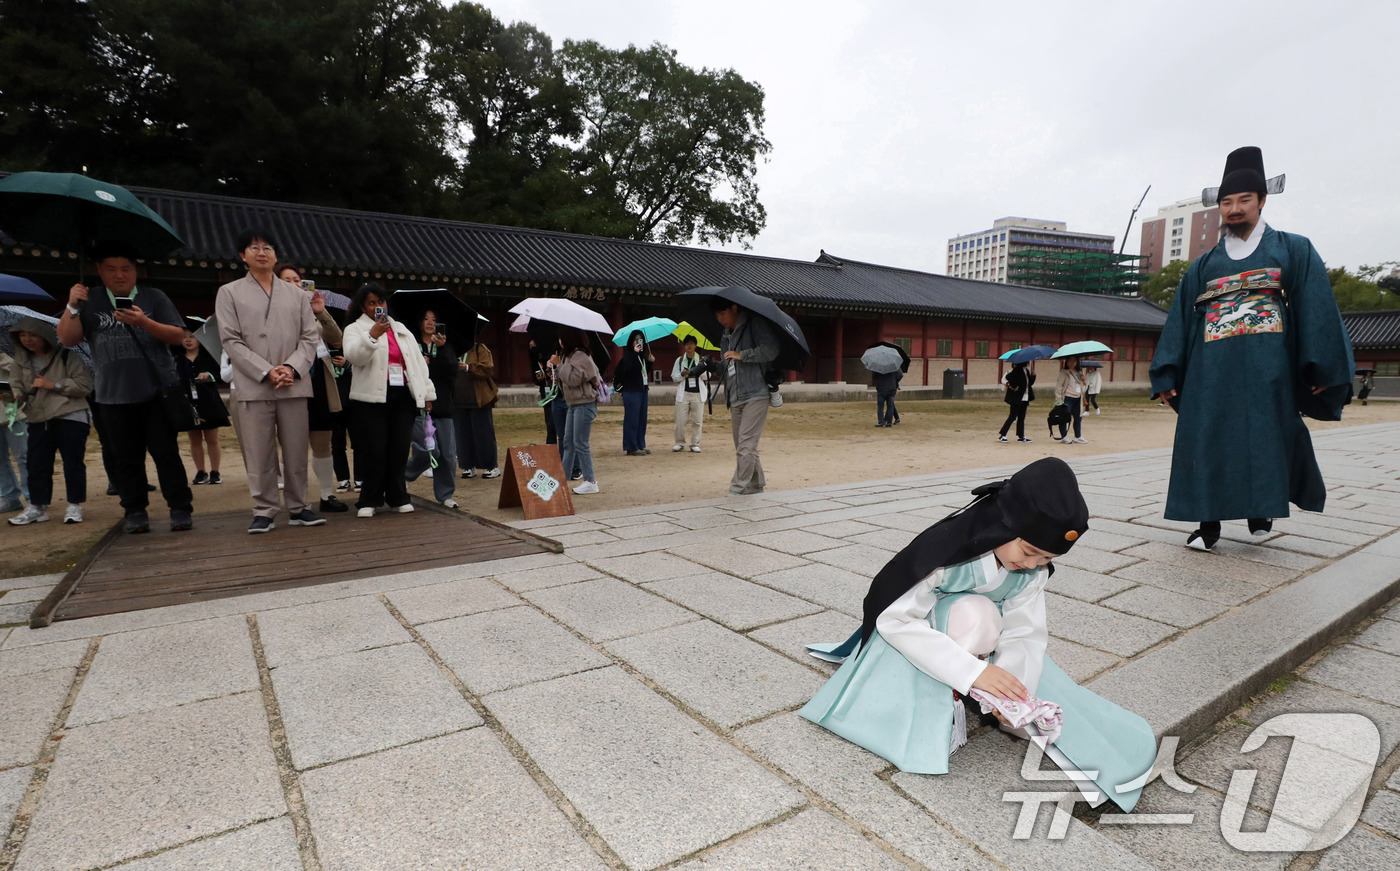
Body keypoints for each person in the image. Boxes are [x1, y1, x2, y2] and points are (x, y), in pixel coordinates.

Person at [799, 457, 1154, 811]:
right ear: (1002, 523)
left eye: (1045, 559)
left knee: (999, 638)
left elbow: (1025, 634)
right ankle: (948, 698)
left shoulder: (1031, 574)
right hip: (917, 641)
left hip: (977, 641)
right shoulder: (947, 553)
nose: (1031, 565)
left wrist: (1013, 695)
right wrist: (973, 673)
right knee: (977, 615)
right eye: (1029, 551)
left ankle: (985, 695)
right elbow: (896, 620)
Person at [1151, 146, 1354, 551]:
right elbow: (1179, 321)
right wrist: (1168, 372)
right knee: (1206, 440)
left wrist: (1322, 369)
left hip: (1268, 370)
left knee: (1264, 440)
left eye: (1244, 200)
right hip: (1211, 374)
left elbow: (1316, 308)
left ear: (1262, 201)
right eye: (1227, 202)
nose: (1235, 209)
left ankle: (1261, 511)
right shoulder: (1203, 266)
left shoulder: (1292, 250)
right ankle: (1208, 525)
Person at [57, 242, 194, 534]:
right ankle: (135, 511)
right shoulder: (89, 299)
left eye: (125, 269)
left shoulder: (153, 297)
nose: (119, 275)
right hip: (111, 395)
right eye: (111, 269)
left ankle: (180, 507)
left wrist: (144, 321)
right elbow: (68, 339)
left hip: (155, 392)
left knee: (166, 453)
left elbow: (177, 336)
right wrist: (71, 305)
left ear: (135, 271)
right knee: (124, 458)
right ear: (99, 271)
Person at [217, 230, 325, 534]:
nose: (261, 252)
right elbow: (230, 339)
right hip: (254, 383)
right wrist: (266, 370)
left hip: (293, 382)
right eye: (254, 248)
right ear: (244, 256)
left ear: (275, 255)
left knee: (295, 449)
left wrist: (291, 367)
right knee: (258, 450)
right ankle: (264, 509)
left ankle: (299, 506)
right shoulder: (230, 292)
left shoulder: (297, 294)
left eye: (267, 247)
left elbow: (309, 336)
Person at [342, 283, 435, 517]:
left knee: (399, 448)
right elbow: (355, 357)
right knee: (374, 449)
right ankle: (369, 500)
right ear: (363, 307)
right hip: (370, 398)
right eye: (371, 303)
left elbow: (417, 365)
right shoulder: (355, 329)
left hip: (402, 395)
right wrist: (372, 336)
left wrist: (428, 394)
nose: (377, 307)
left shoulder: (402, 329)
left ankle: (397, 496)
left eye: (381, 302)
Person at [4, 318, 92, 526]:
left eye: (32, 335)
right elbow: (17, 387)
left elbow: (84, 385)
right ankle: (37, 507)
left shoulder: (66, 357)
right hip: (37, 417)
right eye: (23, 336)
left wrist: (55, 384)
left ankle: (74, 505)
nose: (27, 340)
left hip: (71, 415)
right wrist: (12, 396)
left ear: (45, 336)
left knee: (72, 462)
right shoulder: (20, 360)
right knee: (37, 464)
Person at [277, 263, 349, 513]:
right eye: (287, 280)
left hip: (319, 381)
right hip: (291, 382)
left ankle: (327, 495)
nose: (294, 284)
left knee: (323, 441)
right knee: (292, 445)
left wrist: (320, 311)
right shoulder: (273, 312)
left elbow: (336, 338)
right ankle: (297, 500)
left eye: (297, 280)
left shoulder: (313, 311)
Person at [713, 298, 780, 495]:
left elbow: (771, 349)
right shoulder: (725, 337)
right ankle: (757, 484)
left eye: (722, 313)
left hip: (756, 392)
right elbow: (727, 366)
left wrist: (742, 354)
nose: (720, 319)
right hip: (734, 395)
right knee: (743, 445)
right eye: (716, 315)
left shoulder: (754, 325)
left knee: (746, 444)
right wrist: (712, 367)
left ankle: (737, 488)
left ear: (734, 308)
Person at [405, 309, 460, 507]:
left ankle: (445, 495)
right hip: (418, 406)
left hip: (443, 405)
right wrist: (420, 363)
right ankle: (406, 474)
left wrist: (443, 349)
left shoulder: (445, 346)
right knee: (428, 451)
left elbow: (452, 371)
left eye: (434, 320)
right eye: (426, 319)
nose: (430, 323)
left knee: (446, 453)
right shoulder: (412, 345)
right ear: (419, 322)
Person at [174, 327, 228, 485]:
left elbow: (220, 375)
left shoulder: (209, 357)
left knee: (212, 439)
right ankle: (200, 471)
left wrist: (209, 375)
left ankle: (215, 471)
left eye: (192, 336)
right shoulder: (177, 359)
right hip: (188, 402)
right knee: (194, 439)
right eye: (185, 337)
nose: (188, 340)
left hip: (208, 401)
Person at [555, 329, 601, 495]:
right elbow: (565, 381)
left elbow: (573, 380)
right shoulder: (570, 356)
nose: (559, 341)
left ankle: (590, 481)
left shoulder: (580, 356)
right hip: (574, 404)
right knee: (568, 442)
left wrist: (559, 366)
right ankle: (563, 479)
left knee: (580, 443)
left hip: (585, 403)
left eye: (562, 337)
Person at [453, 328, 501, 479]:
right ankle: (467, 466)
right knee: (463, 435)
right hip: (459, 400)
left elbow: (488, 369)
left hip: (479, 399)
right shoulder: (454, 349)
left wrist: (468, 367)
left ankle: (491, 466)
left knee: (483, 434)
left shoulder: (480, 348)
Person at [614, 329, 653, 455]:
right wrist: (635, 354)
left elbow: (645, 371)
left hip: (642, 390)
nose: (638, 342)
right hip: (631, 391)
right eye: (636, 340)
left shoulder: (642, 357)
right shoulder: (628, 356)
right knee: (632, 419)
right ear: (631, 342)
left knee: (642, 418)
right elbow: (625, 371)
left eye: (640, 340)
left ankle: (640, 444)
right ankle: (631, 446)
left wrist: (650, 362)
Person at [0, 351, 29, 515]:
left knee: (24, 456)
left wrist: (1, 358)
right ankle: (10, 497)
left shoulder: (7, 355)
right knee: (0, 460)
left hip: (13, 413)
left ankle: (33, 497)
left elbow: (22, 374)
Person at [671, 335, 706, 452]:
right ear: (684, 346)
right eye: (687, 344)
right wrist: (682, 374)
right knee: (680, 420)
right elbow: (674, 377)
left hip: (697, 394)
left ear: (696, 345)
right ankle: (679, 442)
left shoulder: (701, 359)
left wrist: (700, 369)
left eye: (691, 344)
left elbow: (708, 376)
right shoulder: (680, 360)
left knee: (697, 420)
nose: (689, 346)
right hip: (684, 393)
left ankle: (695, 443)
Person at [997, 361, 1035, 443]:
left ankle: (1021, 436)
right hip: (1017, 397)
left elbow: (1030, 383)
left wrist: (1033, 376)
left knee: (1021, 418)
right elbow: (1008, 376)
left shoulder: (1026, 371)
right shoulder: (1017, 370)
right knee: (1012, 417)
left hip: (1025, 397)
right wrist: (1014, 386)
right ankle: (1002, 435)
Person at [529, 338, 557, 444]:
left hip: (557, 389)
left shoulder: (554, 350)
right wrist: (538, 377)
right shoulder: (536, 354)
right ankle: (551, 444)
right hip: (545, 387)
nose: (532, 346)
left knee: (557, 420)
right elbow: (534, 368)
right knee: (549, 419)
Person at [1053, 358, 1087, 444]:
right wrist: (1059, 399)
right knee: (1064, 418)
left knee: (1078, 418)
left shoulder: (1080, 372)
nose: (1071, 363)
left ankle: (1077, 436)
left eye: (1074, 361)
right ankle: (1064, 436)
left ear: (1077, 362)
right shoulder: (1064, 372)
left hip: (1078, 398)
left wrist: (1084, 380)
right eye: (1069, 361)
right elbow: (1059, 386)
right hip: (1067, 398)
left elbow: (1084, 387)